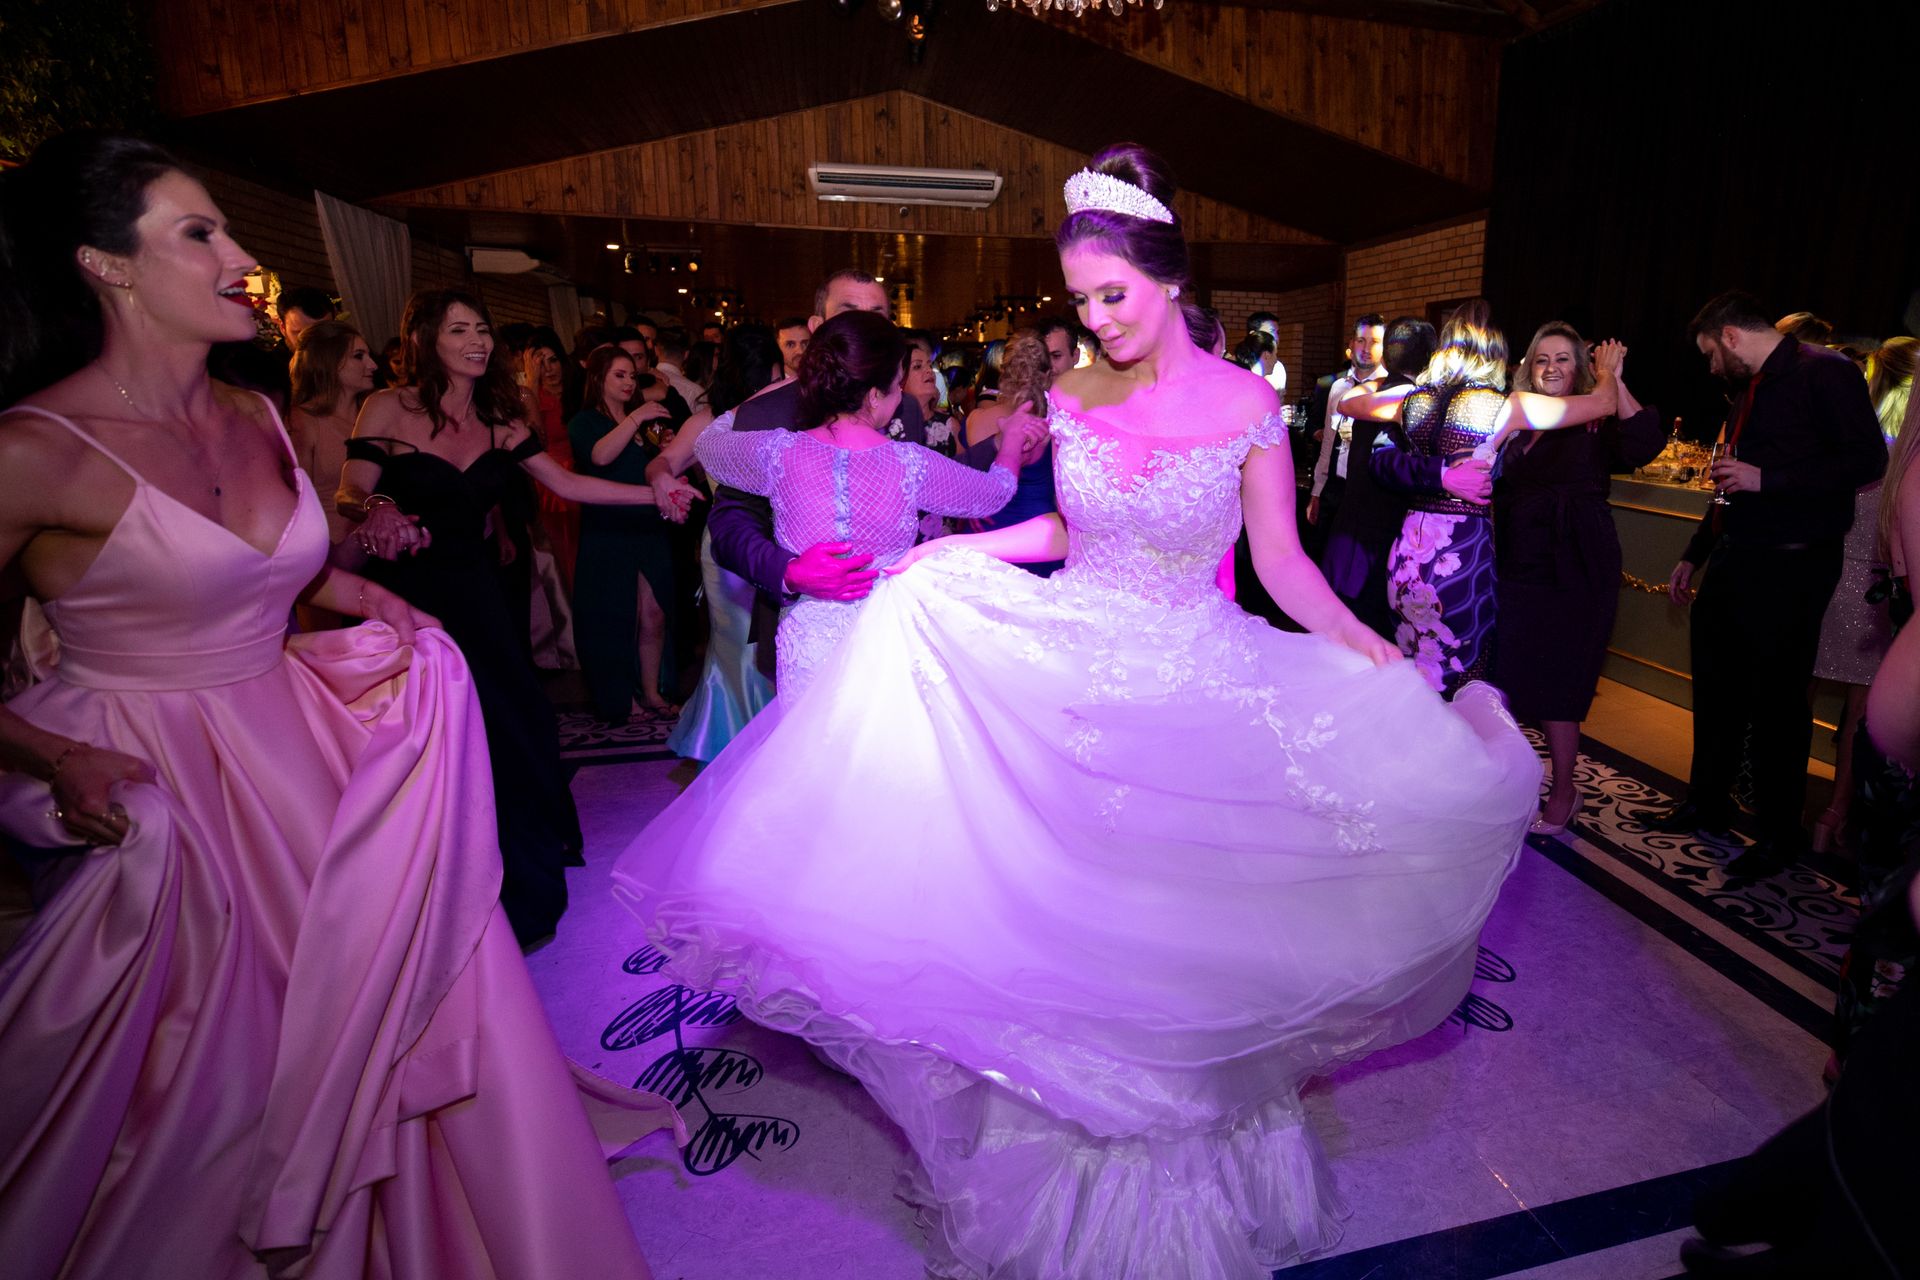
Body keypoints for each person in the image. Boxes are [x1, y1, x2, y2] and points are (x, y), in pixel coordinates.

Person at [613, 144, 1541, 1280]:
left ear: (1169, 280)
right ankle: (1065, 1162)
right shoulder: (1072, 392)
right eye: (1083, 299)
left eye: (1115, 294)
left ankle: (1189, 1170)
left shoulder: (1250, 404)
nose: (1098, 320)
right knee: (1068, 925)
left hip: (1192, 676)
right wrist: (941, 560)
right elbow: (1060, 532)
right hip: (1076, 664)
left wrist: (1364, 645)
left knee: (1180, 934)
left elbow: (1282, 565)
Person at [0, 132, 675, 1279]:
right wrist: (54, 756)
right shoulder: (35, 448)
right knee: (216, 1073)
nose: (241, 256)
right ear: (105, 265)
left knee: (395, 988)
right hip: (160, 782)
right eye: (199, 233)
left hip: (301, 750)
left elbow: (289, 578)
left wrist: (376, 598)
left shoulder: (256, 419)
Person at [339, 288, 697, 944]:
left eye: (483, 329)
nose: (477, 341)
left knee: (510, 724)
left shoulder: (501, 417)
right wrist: (379, 508)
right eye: (459, 330)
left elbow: (566, 484)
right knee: (418, 738)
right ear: (424, 340)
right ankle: (419, 883)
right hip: (407, 597)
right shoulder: (385, 406)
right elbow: (352, 488)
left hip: (478, 593)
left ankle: (512, 879)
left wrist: (654, 491)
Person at [1658, 291, 1888, 878]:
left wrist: (1772, 477)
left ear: (1731, 337)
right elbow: (1732, 482)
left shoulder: (1826, 373)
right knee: (1715, 691)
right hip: (1736, 557)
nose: (1711, 368)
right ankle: (1705, 805)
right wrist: (1695, 553)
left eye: (1712, 354)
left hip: (1793, 564)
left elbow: (1867, 463)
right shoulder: (1747, 390)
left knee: (1777, 708)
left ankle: (1778, 839)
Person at [1353, 302, 1623, 696]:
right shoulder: (1508, 406)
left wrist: (1399, 389)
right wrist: (1604, 369)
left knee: (1416, 673)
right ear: (1497, 353)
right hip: (1459, 556)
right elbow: (1604, 404)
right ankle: (1459, 753)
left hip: (1408, 557)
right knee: (1464, 674)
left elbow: (1350, 404)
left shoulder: (1411, 402)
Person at [692, 268, 928, 683]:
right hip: (806, 623)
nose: (865, 322)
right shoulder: (768, 413)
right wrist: (789, 571)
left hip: (894, 620)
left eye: (878, 313)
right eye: (849, 310)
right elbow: (730, 524)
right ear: (817, 328)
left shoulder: (904, 408)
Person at [1492, 322, 1664, 834]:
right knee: (1512, 676)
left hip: (1578, 562)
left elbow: (1645, 444)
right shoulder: (1518, 410)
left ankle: (1565, 789)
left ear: (1581, 367)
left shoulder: (1597, 414)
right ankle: (1518, 783)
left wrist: (1614, 377)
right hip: (1521, 559)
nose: (1551, 368)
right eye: (1542, 358)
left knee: (1561, 682)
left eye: (1563, 359)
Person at [644, 325, 783, 761]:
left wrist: (664, 477)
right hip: (734, 550)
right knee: (737, 645)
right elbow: (662, 461)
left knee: (772, 644)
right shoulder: (712, 420)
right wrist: (663, 480)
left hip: (772, 546)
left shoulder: (782, 414)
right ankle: (745, 744)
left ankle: (770, 741)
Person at [570, 345, 682, 720]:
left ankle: (651, 691)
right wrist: (635, 418)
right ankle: (621, 697)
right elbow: (600, 457)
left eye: (632, 375)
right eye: (619, 375)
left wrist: (665, 454)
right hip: (608, 530)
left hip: (648, 525)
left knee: (655, 613)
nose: (628, 381)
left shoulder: (645, 426)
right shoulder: (586, 422)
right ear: (599, 378)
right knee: (617, 613)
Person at [1317, 316, 1434, 639]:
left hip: (1350, 525)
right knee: (1371, 634)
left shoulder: (1371, 395)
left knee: (1337, 631)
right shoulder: (1416, 401)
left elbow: (1345, 404)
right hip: (1382, 536)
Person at [961, 330, 1065, 576]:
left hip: (984, 534)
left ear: (1003, 375)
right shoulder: (1057, 426)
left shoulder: (977, 419)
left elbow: (960, 477)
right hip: (1037, 537)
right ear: (1048, 375)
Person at [1308, 314, 1386, 535]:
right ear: (1351, 344)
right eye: (1361, 340)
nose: (1366, 347)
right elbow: (1328, 444)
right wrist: (1317, 490)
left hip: (1370, 492)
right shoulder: (1338, 387)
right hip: (1335, 488)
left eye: (1375, 342)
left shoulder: (1388, 389)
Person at [775, 315, 809, 380]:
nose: (800, 351)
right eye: (790, 344)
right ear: (778, 347)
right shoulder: (770, 387)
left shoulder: (824, 382)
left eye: (805, 343)